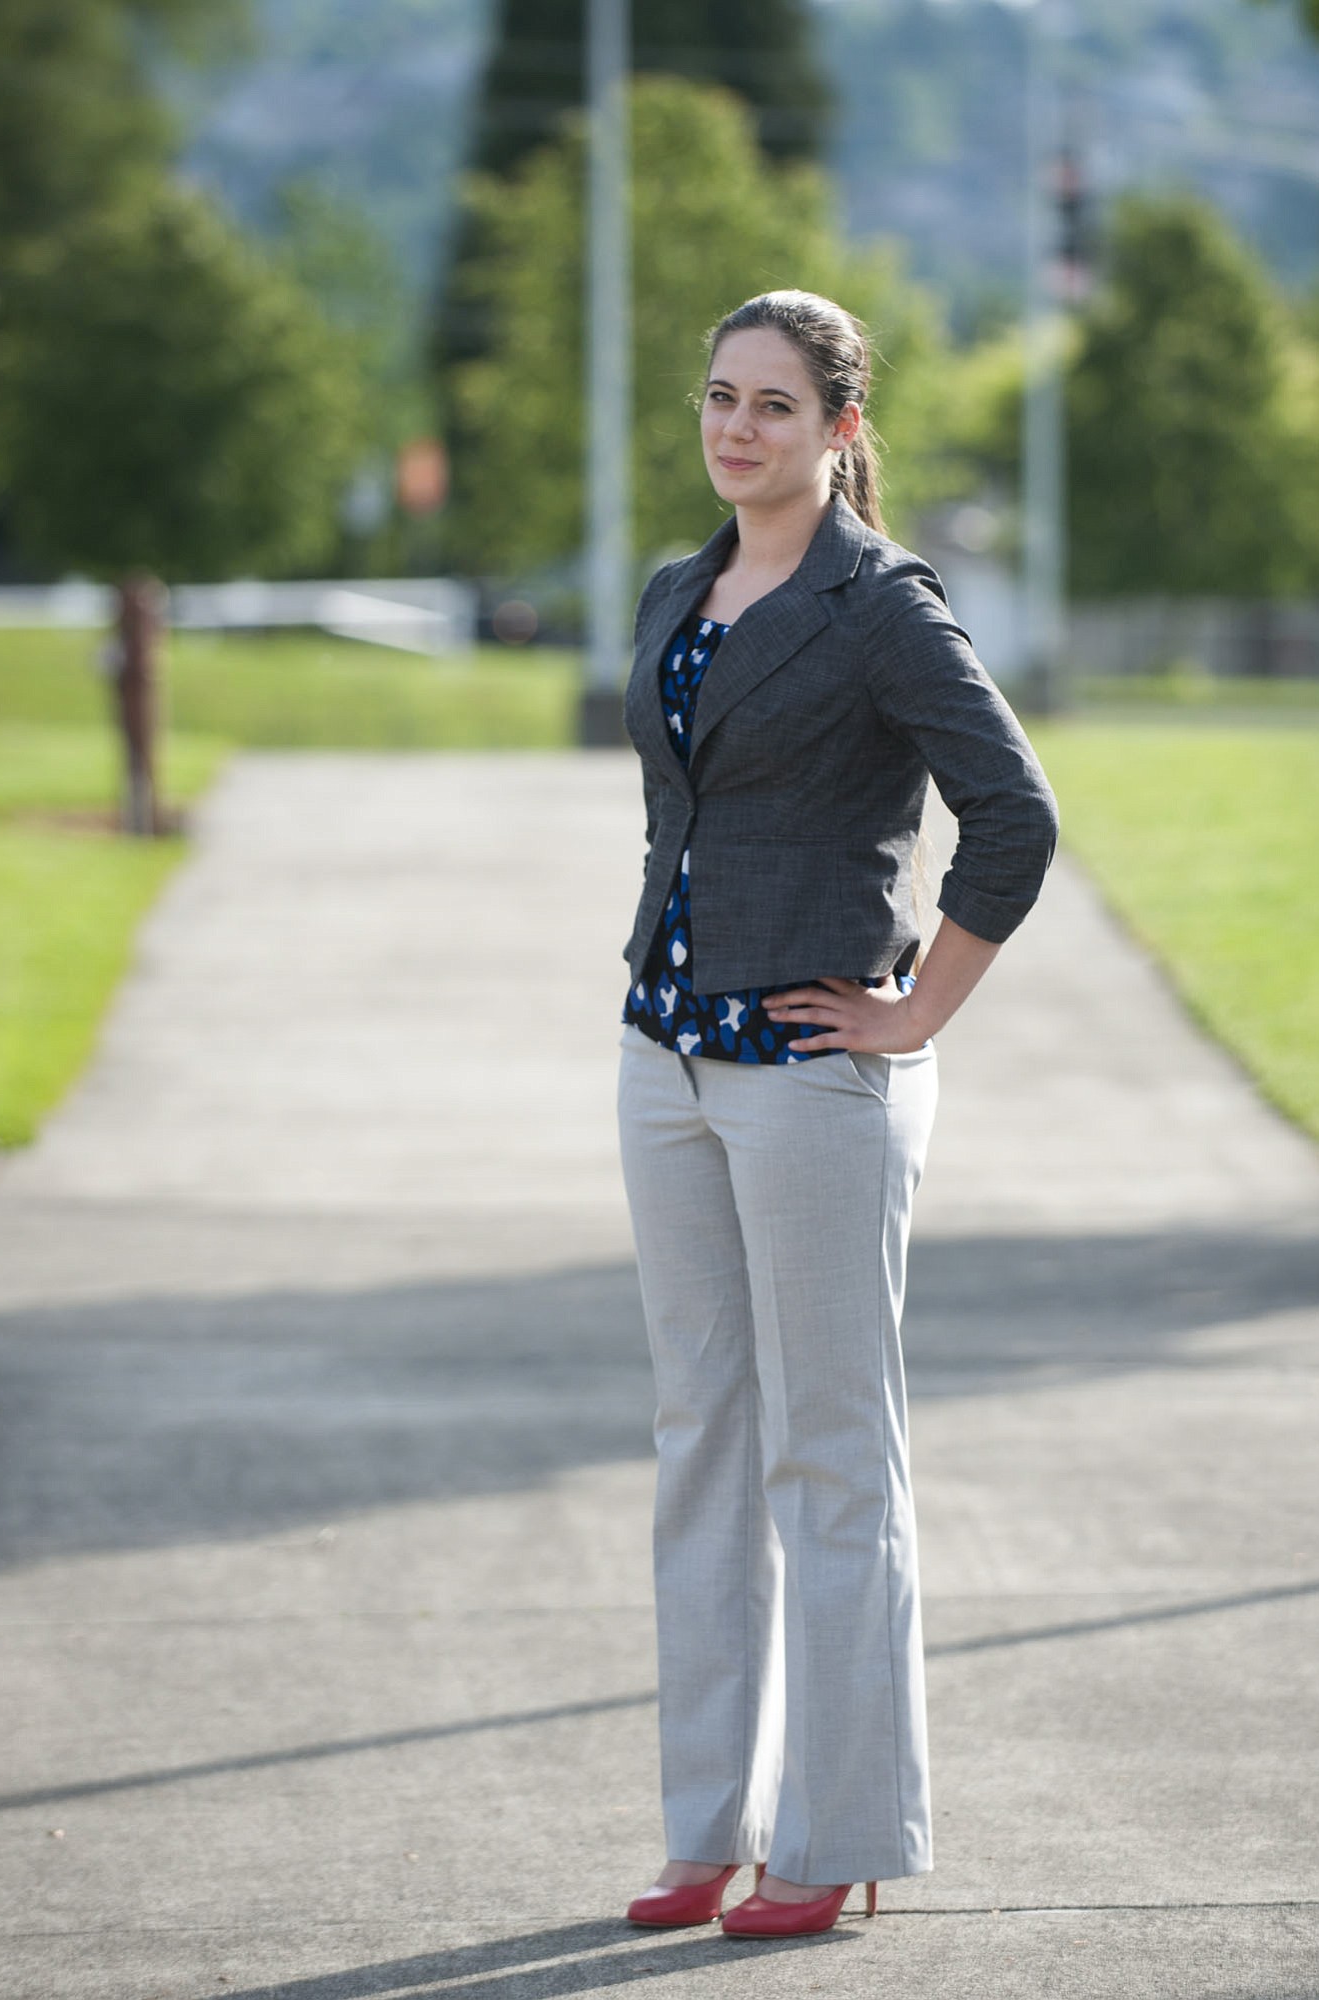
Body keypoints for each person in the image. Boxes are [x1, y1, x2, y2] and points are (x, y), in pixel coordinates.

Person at [616, 290, 1058, 1940]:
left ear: (841, 431)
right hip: (661, 1057)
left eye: (776, 408)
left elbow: (1013, 813)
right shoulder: (680, 586)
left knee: (829, 1458)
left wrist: (918, 1008)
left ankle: (842, 1828)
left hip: (812, 1076)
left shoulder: (880, 607)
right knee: (698, 1446)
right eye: (720, 398)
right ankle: (702, 1824)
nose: (738, 430)